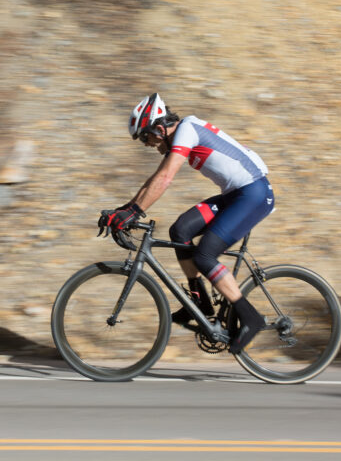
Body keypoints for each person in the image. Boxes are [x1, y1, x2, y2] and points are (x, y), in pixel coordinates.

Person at [100, 92, 275, 354]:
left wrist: (136, 210)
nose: (146, 144)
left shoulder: (187, 130)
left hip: (254, 194)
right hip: (237, 194)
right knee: (180, 230)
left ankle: (251, 316)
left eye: (145, 137)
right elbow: (155, 178)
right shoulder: (182, 134)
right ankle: (201, 302)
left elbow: (166, 177)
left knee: (205, 254)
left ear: (160, 128)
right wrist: (125, 210)